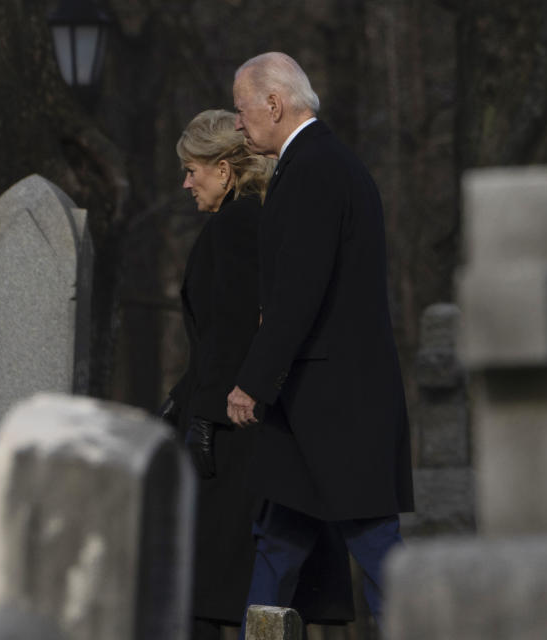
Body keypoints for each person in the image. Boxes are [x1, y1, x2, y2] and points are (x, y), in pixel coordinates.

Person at [226, 52, 414, 629]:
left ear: (274, 104)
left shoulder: (314, 168)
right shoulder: (317, 162)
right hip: (316, 401)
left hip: (334, 403)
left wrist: (251, 382)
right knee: (278, 540)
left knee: (377, 549)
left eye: (242, 108)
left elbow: (298, 294)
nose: (238, 123)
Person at [160, 108, 273, 639]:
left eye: (192, 169)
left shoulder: (233, 227)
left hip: (227, 433)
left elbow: (229, 336)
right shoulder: (248, 221)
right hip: (226, 418)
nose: (186, 183)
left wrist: (201, 418)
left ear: (224, 171)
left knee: (205, 585)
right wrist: (178, 399)